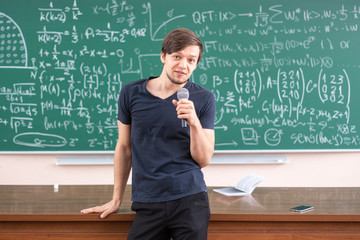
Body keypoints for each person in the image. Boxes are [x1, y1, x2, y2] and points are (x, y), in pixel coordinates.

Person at [81, 28, 216, 240]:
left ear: (196, 64)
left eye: (191, 60)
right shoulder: (131, 92)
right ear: (163, 56)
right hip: (148, 199)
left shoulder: (204, 98)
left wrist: (194, 123)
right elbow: (124, 147)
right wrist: (117, 199)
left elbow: (204, 159)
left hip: (190, 199)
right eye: (177, 57)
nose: (183, 65)